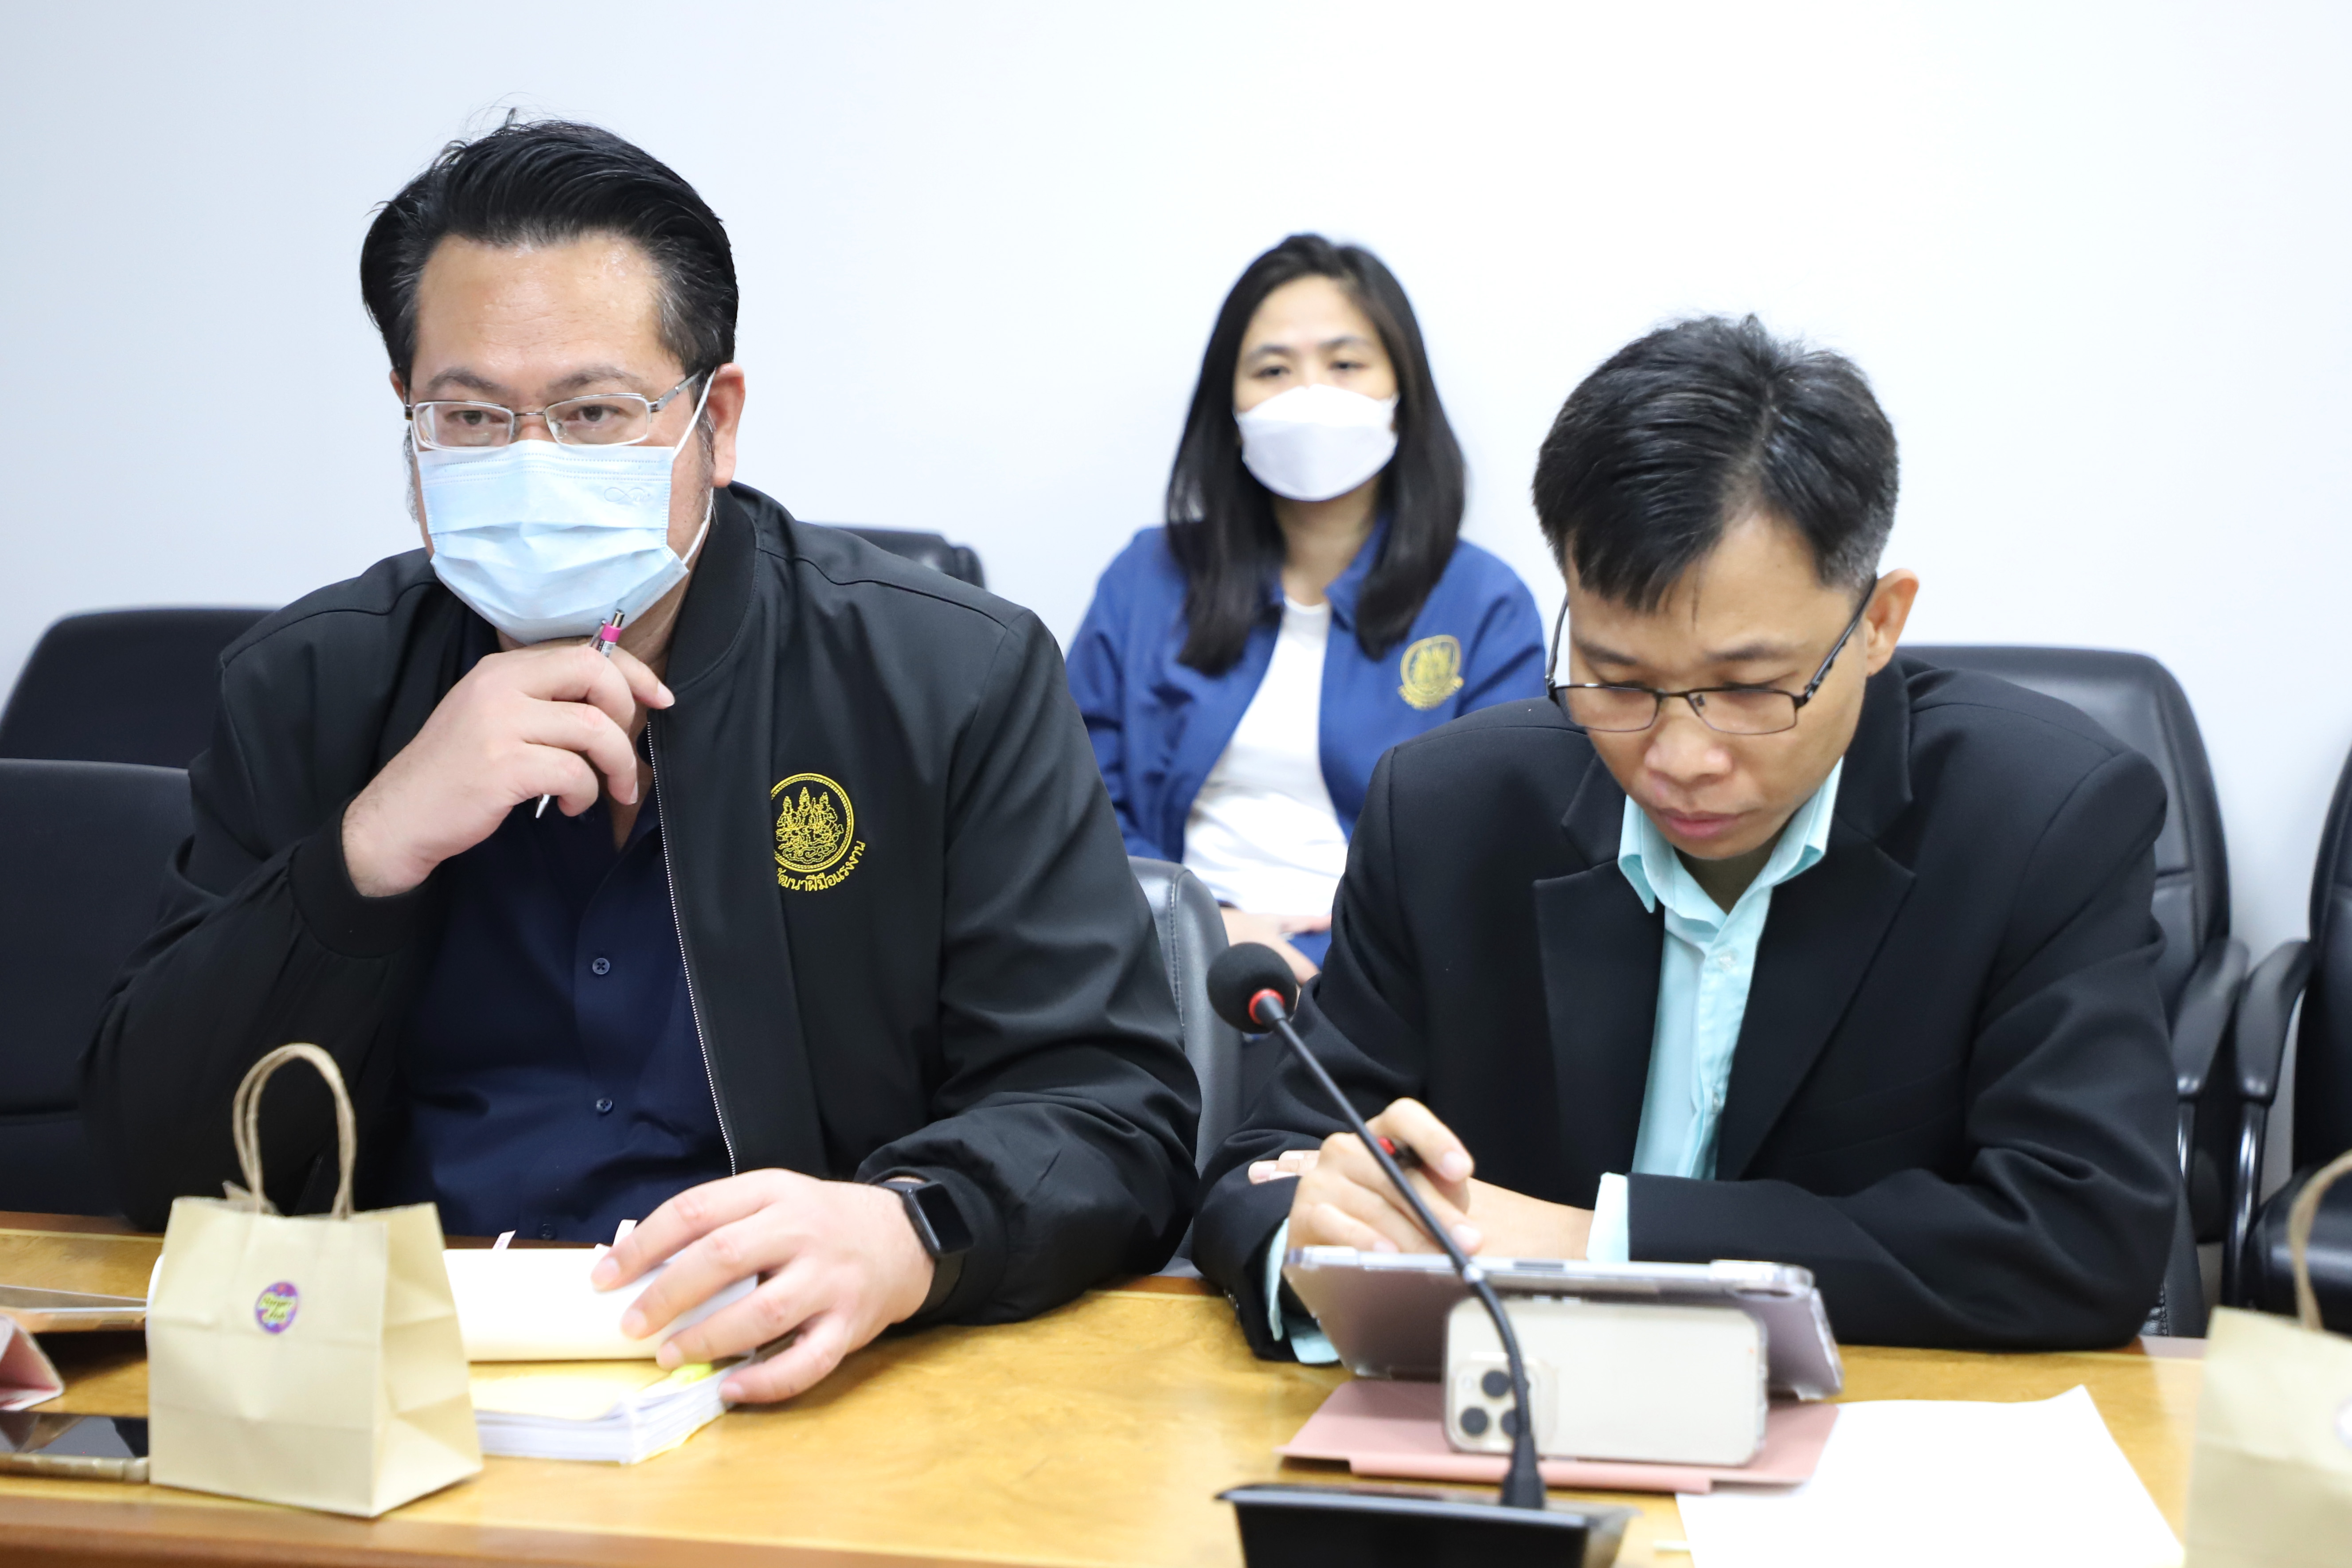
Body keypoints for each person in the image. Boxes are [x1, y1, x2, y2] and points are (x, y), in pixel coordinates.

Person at [82, 121, 1199, 1404]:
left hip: (794, 1384)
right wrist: (365, 853)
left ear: (714, 421)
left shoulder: (949, 680)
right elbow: (153, 1157)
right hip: (388, 1391)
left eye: (594, 412)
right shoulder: (311, 687)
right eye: (471, 415)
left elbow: (1109, 1113)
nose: (531, 461)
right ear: (410, 423)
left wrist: (910, 1228)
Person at [1193, 315, 2179, 1353]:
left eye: (1749, 689)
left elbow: (2082, 1235)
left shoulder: (2040, 819)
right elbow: (1267, 1166)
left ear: (1878, 623)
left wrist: (1596, 1243)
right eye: (1617, 680)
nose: (1680, 756)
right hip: (1496, 1409)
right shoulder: (1447, 812)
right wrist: (1311, 1236)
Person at [1067, 235, 1545, 981]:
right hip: (1170, 957)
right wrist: (1199, 926)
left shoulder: (1484, 602)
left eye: (1345, 364)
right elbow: (1077, 798)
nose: (1310, 394)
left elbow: (1494, 841)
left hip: (1387, 973)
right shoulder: (1146, 577)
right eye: (1273, 370)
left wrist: (1348, 954)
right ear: (1230, 408)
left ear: (1402, 396)